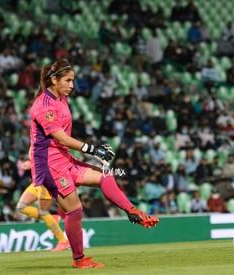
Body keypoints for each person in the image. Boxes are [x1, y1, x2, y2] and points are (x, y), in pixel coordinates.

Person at [29, 59, 158, 268]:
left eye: (73, 80)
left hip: (63, 159)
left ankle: (132, 211)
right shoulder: (44, 106)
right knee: (75, 210)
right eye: (68, 80)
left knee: (105, 176)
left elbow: (38, 137)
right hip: (49, 165)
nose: (72, 85)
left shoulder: (61, 98)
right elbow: (60, 138)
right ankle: (79, 260)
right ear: (54, 80)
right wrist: (93, 149)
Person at [16, 159, 70, 252]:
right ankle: (52, 218)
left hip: (45, 182)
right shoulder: (33, 144)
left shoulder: (46, 144)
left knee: (43, 212)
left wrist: (31, 164)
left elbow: (50, 160)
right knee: (21, 207)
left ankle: (63, 241)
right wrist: (31, 162)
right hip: (36, 181)